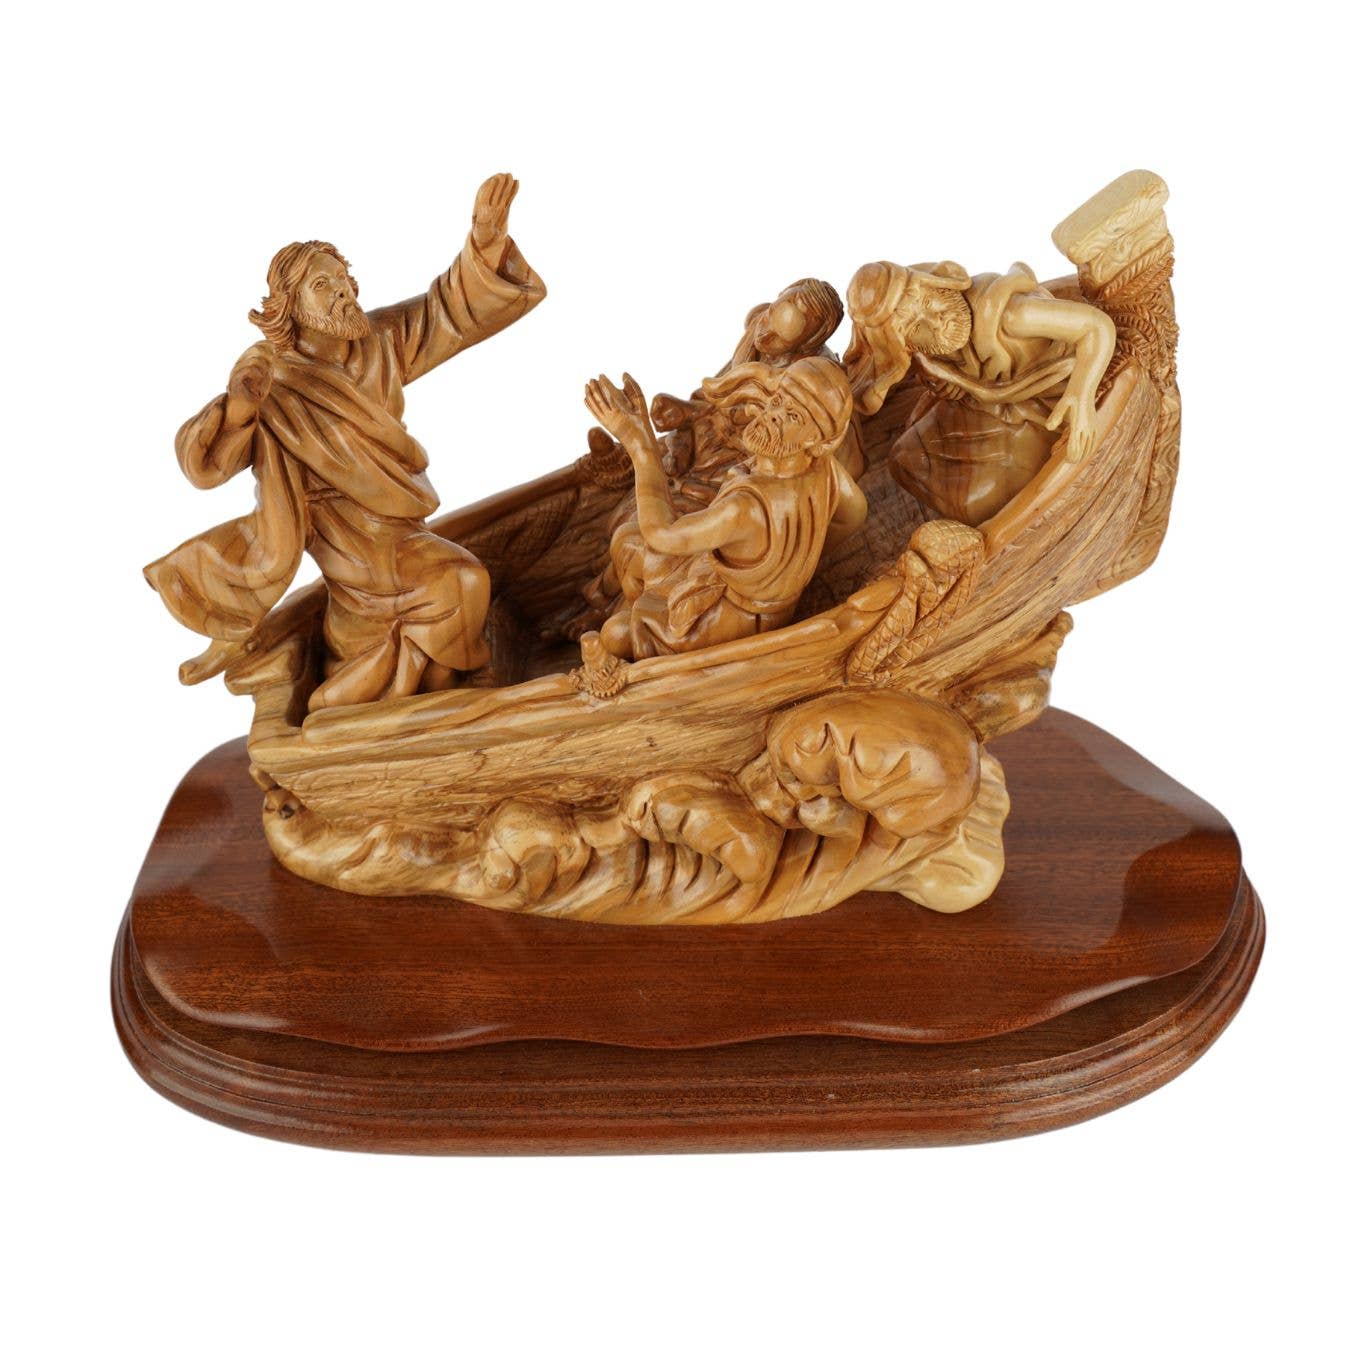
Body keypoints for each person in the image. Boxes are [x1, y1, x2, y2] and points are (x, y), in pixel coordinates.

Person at [144, 174, 546, 709]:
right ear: (290, 305)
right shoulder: (273, 381)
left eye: (343, 278)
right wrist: (239, 406)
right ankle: (396, 703)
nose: (342, 290)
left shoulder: (380, 343)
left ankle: (423, 686)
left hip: (400, 529)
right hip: (347, 546)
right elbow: (205, 467)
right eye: (322, 284)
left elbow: (446, 312)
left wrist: (485, 241)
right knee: (463, 581)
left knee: (464, 580)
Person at [582, 358, 867, 660]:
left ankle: (643, 650)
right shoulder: (823, 468)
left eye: (793, 416)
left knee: (615, 634)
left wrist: (639, 443)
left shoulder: (747, 506)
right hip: (730, 580)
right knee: (627, 541)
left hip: (730, 618)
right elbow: (854, 514)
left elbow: (662, 534)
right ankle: (639, 604)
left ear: (815, 438)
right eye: (778, 401)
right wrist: (792, 565)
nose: (774, 415)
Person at [844, 259, 1115, 525]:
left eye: (926, 302)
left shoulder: (1008, 315)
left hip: (1038, 410)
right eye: (915, 327)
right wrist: (954, 387)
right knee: (904, 459)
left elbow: (1097, 326)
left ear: (937, 285)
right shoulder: (932, 353)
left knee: (972, 504)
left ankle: (983, 523)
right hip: (981, 408)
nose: (935, 322)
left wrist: (1080, 397)